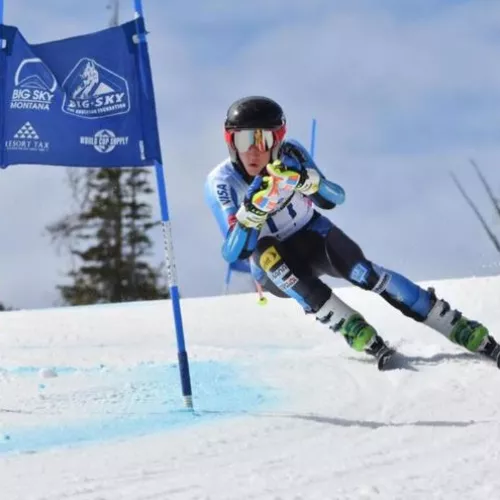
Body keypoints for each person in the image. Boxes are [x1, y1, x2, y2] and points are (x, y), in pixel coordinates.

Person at [204, 95, 500, 370]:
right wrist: (251, 215)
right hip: (270, 261)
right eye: (244, 139)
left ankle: (454, 324)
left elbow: (334, 198)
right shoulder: (221, 181)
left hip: (310, 233)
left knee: (364, 273)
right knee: (268, 254)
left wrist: (309, 182)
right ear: (230, 141)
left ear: (278, 139)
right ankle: (351, 327)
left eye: (263, 139)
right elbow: (234, 252)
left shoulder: (291, 153)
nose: (254, 150)